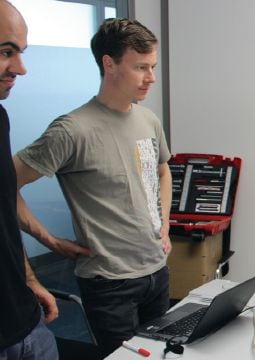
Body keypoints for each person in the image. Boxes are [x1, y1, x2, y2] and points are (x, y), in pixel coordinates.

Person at [14, 18, 172, 357]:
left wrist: (165, 224)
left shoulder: (149, 120)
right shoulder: (71, 131)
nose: (151, 78)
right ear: (109, 64)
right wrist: (49, 240)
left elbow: (162, 171)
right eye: (141, 67)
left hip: (156, 271)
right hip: (109, 282)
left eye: (153, 66)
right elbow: (5, 185)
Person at [0, 2, 59, 359]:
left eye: (20, 52)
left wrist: (30, 279)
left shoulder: (0, 118)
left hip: (26, 326)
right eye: (7, 52)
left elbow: (4, 212)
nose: (20, 68)